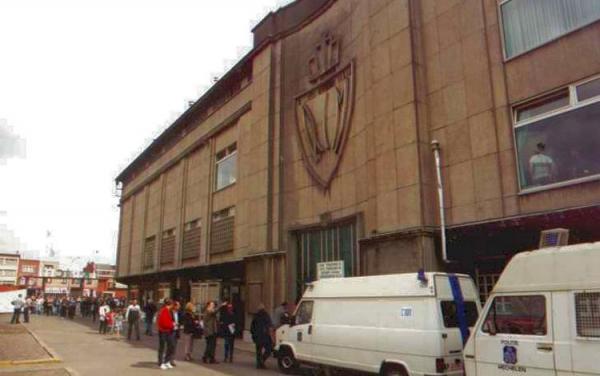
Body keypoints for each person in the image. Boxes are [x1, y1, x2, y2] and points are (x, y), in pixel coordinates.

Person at [251, 303, 274, 369]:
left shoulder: (255, 316)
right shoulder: (266, 315)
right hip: (265, 336)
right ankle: (262, 362)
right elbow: (270, 326)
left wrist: (253, 335)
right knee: (268, 349)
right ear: (264, 308)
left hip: (257, 336)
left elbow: (252, 327)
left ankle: (259, 364)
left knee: (258, 351)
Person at [157, 299, 176, 370]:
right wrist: (172, 325)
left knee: (171, 345)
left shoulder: (169, 311)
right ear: (170, 304)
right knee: (162, 347)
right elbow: (164, 322)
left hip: (169, 331)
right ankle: (161, 362)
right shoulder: (164, 311)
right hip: (163, 331)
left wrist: (172, 324)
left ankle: (167, 361)